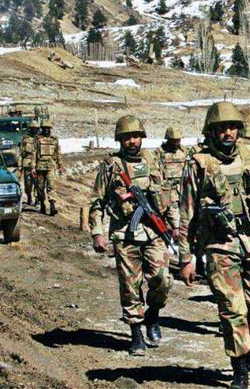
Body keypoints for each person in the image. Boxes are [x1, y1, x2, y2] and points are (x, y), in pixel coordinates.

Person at [178, 102, 250, 389]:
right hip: (219, 245)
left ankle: (241, 338)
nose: (228, 133)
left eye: (232, 127)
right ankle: (240, 365)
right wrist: (186, 257)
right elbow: (186, 212)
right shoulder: (198, 163)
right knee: (232, 309)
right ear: (211, 131)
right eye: (222, 128)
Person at [88, 115, 175, 356]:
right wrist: (97, 233)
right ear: (120, 140)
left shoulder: (153, 160)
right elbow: (97, 202)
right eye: (127, 137)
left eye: (136, 136)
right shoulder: (111, 166)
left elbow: (168, 194)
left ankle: (153, 314)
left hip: (154, 232)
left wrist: (175, 225)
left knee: (162, 279)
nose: (132, 141)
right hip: (124, 234)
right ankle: (136, 333)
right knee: (130, 286)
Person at [155, 126, 189, 265]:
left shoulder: (184, 151)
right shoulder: (159, 153)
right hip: (166, 192)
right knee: (166, 225)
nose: (176, 143)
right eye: (173, 140)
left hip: (182, 191)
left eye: (178, 140)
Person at [33, 119, 63, 215]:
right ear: (42, 129)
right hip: (40, 167)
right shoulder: (37, 139)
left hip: (51, 166)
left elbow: (57, 153)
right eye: (44, 128)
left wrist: (60, 165)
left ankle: (52, 206)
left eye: (48, 128)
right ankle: (42, 204)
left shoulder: (54, 139)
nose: (46, 130)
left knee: (51, 186)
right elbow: (34, 153)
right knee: (40, 187)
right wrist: (33, 167)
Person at [21, 120, 39, 205]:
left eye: (36, 128)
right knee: (28, 183)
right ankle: (29, 197)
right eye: (33, 128)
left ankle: (37, 199)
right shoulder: (26, 139)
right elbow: (22, 152)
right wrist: (20, 165)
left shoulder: (40, 139)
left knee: (38, 182)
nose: (34, 130)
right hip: (27, 162)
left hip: (38, 163)